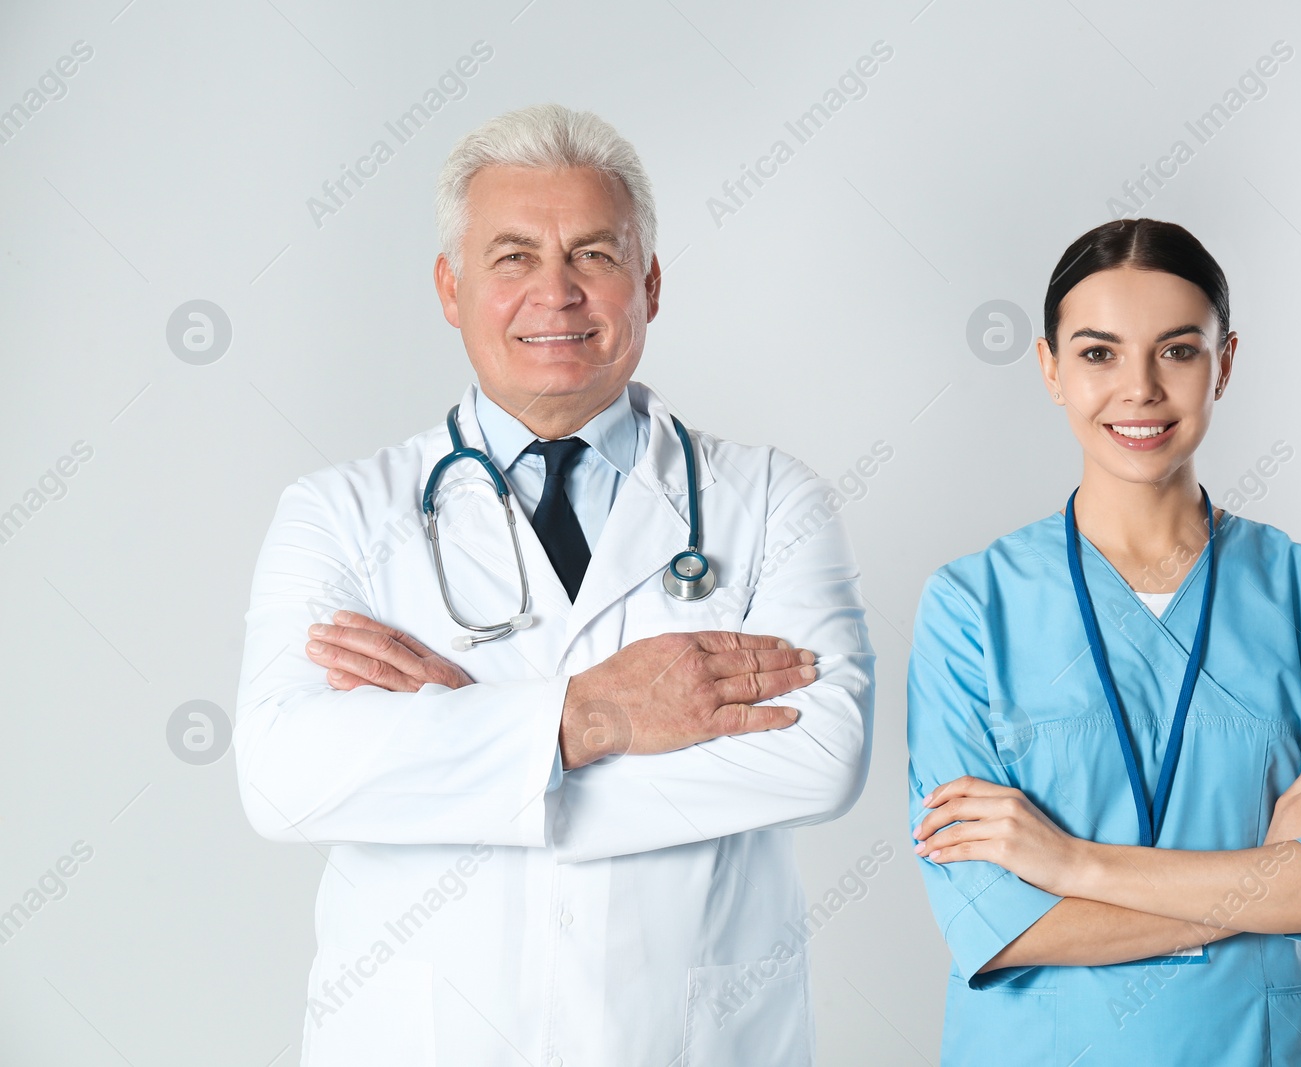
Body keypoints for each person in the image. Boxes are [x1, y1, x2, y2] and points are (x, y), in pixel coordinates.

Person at [234, 103, 874, 1067]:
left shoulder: (773, 500)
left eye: (595, 255)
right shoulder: (340, 514)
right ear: (451, 289)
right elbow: (285, 776)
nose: (558, 293)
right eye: (513, 257)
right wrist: (586, 718)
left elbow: (820, 755)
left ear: (649, 284)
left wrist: (468, 740)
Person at [906, 218, 1301, 1065]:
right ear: (1050, 368)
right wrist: (1266, 872)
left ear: (1225, 363)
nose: (1139, 389)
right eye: (1099, 353)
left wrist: (1071, 863)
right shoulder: (971, 606)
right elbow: (993, 922)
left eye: (1177, 351)